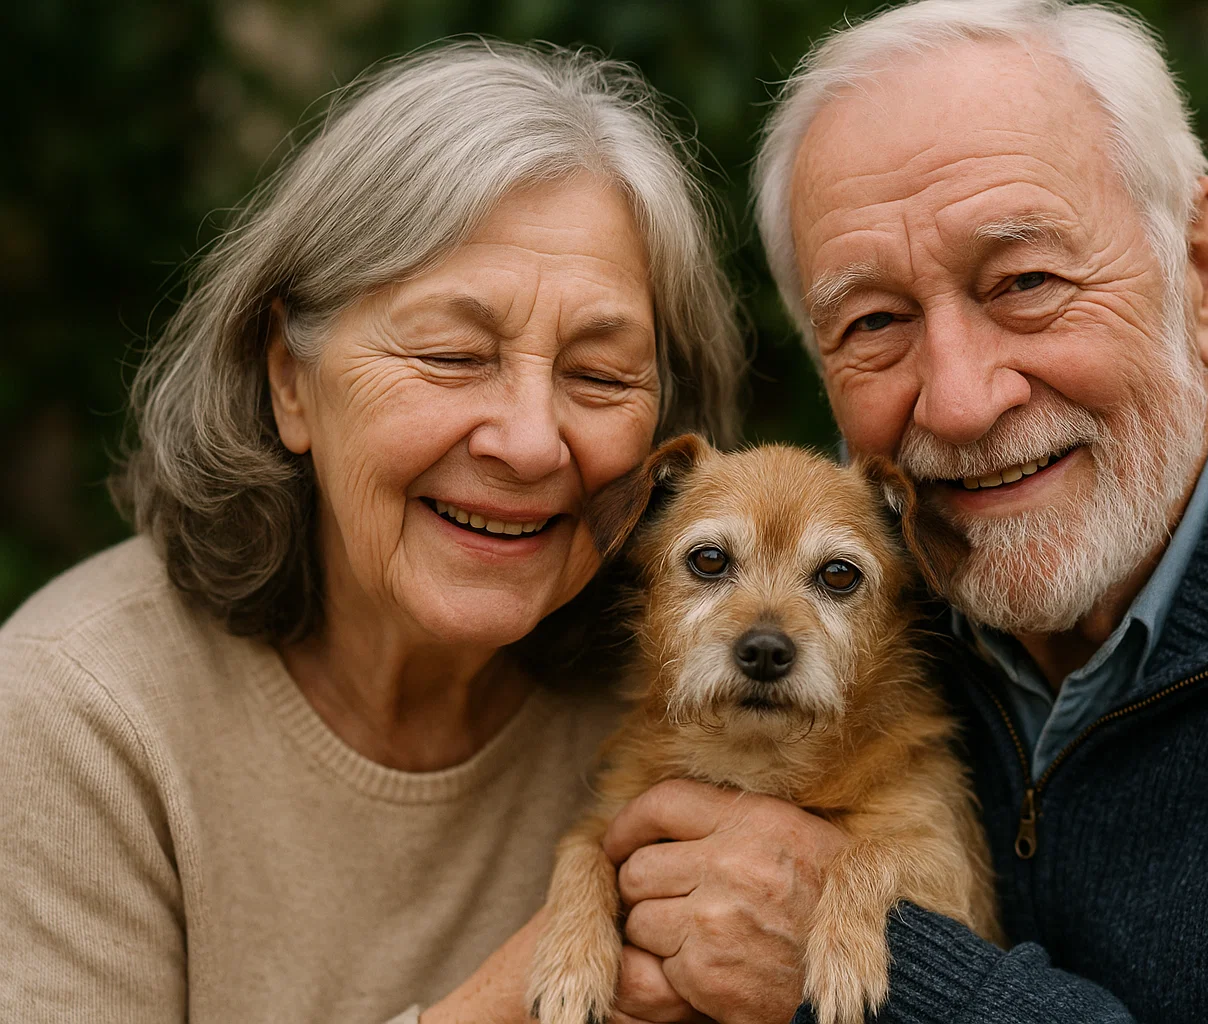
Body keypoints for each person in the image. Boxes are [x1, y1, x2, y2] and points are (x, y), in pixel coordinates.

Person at [600, 1, 1208, 1021]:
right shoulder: (853, 573)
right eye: (873, 320)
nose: (961, 401)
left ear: (1202, 273)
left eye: (1026, 282)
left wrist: (900, 983)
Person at [0, 41, 744, 1023]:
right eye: (452, 355)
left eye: (600, 376)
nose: (530, 443)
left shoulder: (708, 692)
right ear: (288, 378)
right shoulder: (77, 713)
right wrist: (509, 1000)